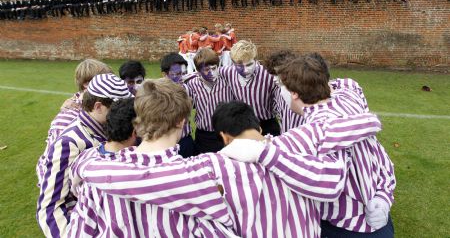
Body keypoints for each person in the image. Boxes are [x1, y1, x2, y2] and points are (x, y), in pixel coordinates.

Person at [70, 78, 382, 237]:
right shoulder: (208, 172)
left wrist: (88, 165)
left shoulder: (95, 174)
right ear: (183, 121)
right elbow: (326, 138)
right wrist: (369, 121)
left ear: (138, 120)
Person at [276, 55, 396, 237]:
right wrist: (384, 196)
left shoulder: (314, 132)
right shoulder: (349, 96)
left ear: (294, 93)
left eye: (282, 87)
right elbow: (346, 84)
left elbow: (330, 184)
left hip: (343, 228)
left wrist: (268, 147)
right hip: (380, 222)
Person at [36, 73, 132, 238]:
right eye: (116, 109)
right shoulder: (69, 142)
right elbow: (50, 207)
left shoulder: (106, 130)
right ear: (98, 106)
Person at [35, 59, 113, 188]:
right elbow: (49, 168)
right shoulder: (66, 119)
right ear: (86, 85)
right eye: (103, 81)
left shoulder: (104, 106)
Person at [220, 40, 280, 136]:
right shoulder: (228, 72)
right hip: (242, 126)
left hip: (267, 124)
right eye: (239, 66)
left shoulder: (268, 74)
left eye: (249, 64)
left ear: (256, 60)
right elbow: (200, 74)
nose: (245, 70)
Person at [184, 48, 235, 153]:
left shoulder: (227, 80)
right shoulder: (192, 84)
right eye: (207, 70)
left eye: (214, 68)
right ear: (198, 71)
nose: (212, 73)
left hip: (227, 132)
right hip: (204, 135)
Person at [160, 53, 196, 158]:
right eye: (176, 74)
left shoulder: (186, 88)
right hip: (166, 143)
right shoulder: (158, 94)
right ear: (164, 74)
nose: (180, 78)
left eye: (183, 73)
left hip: (186, 140)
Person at [264, 50, 304, 133]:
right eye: (273, 74)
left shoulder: (304, 93)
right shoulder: (278, 91)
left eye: (278, 74)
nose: (275, 79)